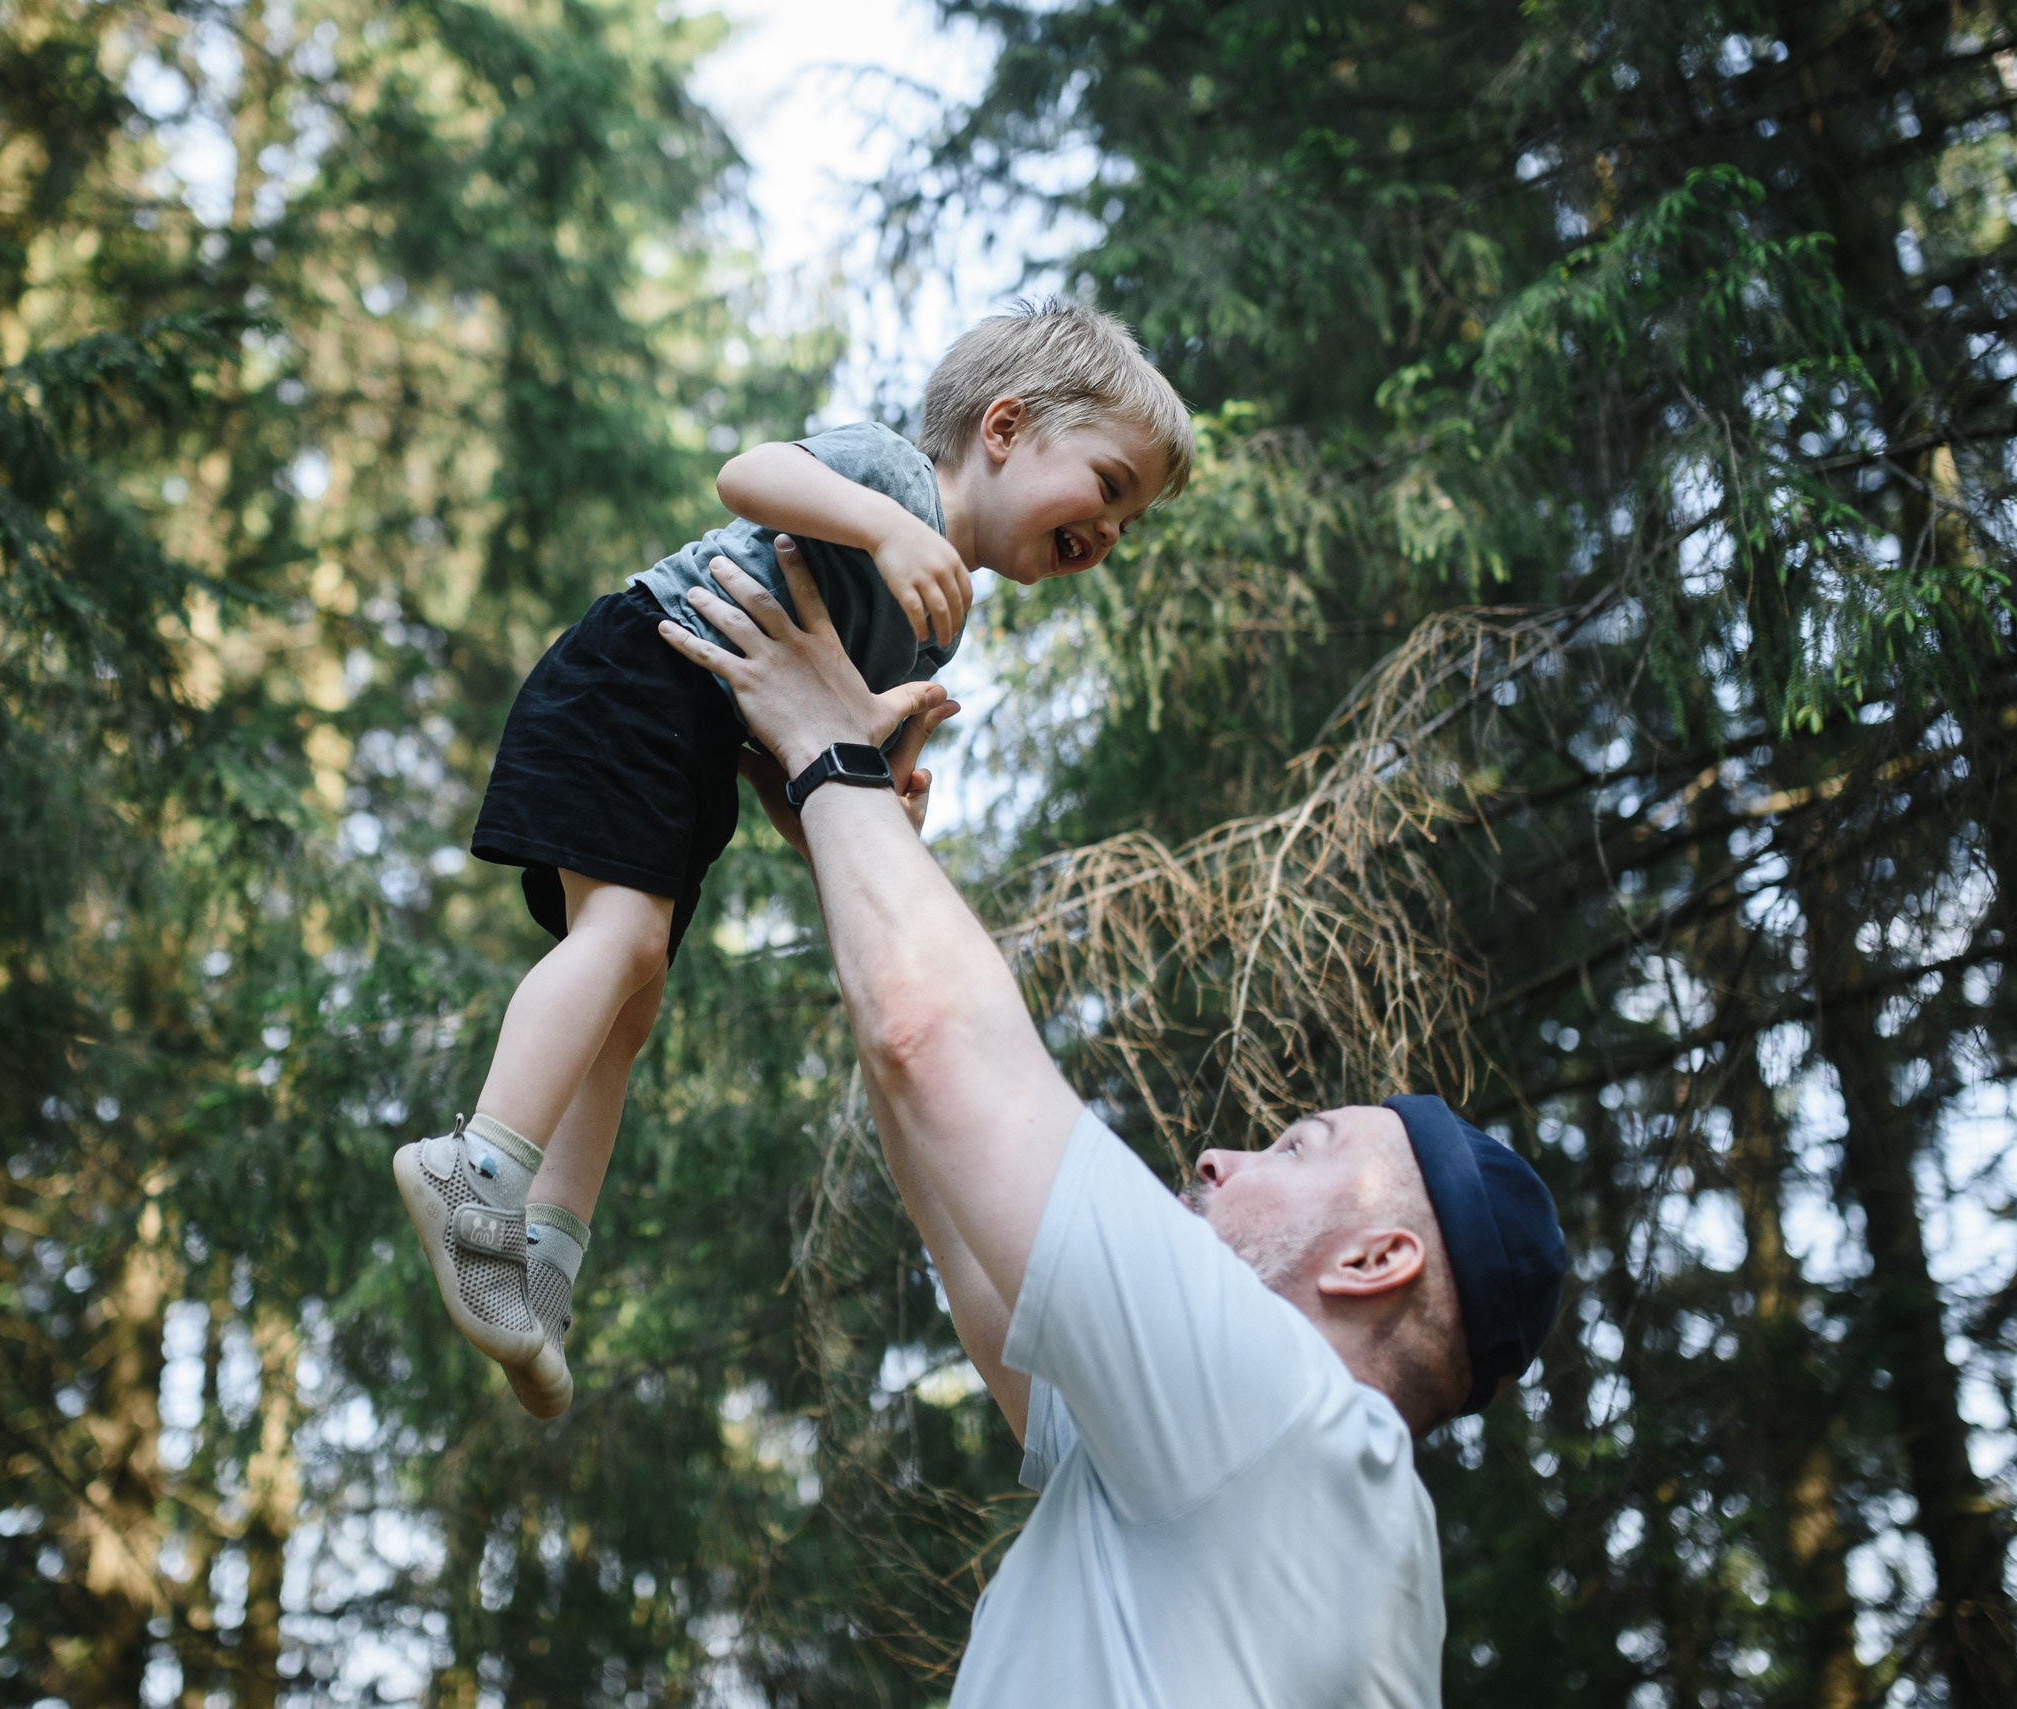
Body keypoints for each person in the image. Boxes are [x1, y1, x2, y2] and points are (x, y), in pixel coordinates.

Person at [658, 538, 1568, 1705]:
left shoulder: (1283, 1414)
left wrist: (825, 750)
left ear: (1378, 1258)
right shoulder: (1266, 1485)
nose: (1218, 1152)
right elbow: (961, 1198)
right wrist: (860, 844)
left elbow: (932, 1044)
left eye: (1297, 1147)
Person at [396, 302, 1192, 1417]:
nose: (1110, 531)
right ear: (1004, 428)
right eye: (1109, 487)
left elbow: (786, 765)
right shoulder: (890, 479)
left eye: (1130, 520)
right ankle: (472, 1167)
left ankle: (541, 1261)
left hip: (692, 738)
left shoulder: (933, 625)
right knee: (620, 941)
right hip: (635, 675)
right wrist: (884, 525)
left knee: (631, 993)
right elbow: (746, 471)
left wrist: (863, 788)